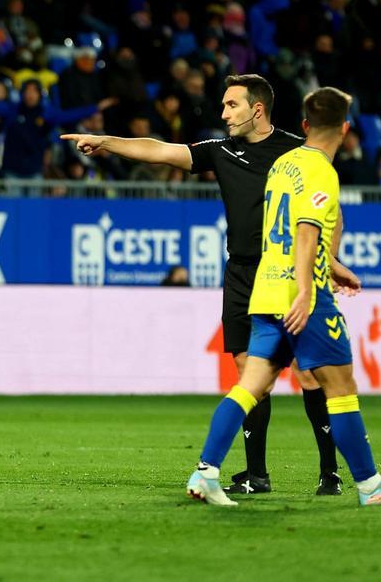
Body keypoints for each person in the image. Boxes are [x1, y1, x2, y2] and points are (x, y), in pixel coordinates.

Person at [63, 74, 358, 496]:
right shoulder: (222, 150)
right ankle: (257, 476)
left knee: (309, 374)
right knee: (247, 372)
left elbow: (331, 210)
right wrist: (106, 141)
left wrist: (330, 259)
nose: (223, 114)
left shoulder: (296, 151)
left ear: (257, 109)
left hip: (283, 270)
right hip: (239, 273)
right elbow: (162, 151)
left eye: (231, 106)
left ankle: (330, 473)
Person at [186, 87, 381, 507]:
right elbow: (307, 232)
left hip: (264, 289)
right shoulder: (320, 170)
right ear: (347, 130)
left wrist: (333, 269)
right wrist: (308, 290)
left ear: (304, 125)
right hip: (302, 296)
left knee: (250, 387)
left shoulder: (283, 164)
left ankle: (206, 472)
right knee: (340, 385)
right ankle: (369, 485)